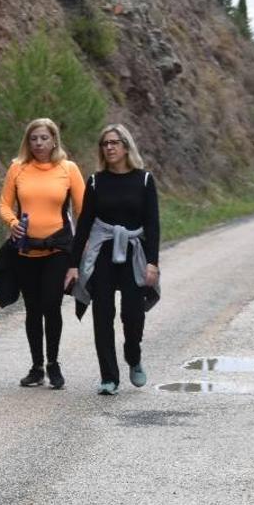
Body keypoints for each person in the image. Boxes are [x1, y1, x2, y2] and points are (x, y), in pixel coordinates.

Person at [65, 124, 161, 396]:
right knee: (102, 315)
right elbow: (83, 225)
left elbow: (153, 225)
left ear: (126, 146)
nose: (109, 147)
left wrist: (153, 263)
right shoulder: (96, 181)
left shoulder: (144, 180)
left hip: (134, 252)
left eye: (114, 142)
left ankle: (133, 356)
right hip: (103, 252)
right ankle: (109, 376)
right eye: (104, 143)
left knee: (132, 314)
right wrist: (74, 264)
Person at [0, 118, 85, 389]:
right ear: (28, 141)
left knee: (51, 305)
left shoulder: (68, 169)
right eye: (34, 138)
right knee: (33, 309)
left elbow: (83, 210)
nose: (38, 143)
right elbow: (4, 204)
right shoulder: (18, 168)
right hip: (25, 251)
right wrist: (13, 224)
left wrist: (79, 253)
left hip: (57, 249)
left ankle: (53, 363)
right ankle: (36, 366)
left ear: (54, 140)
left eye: (44, 138)